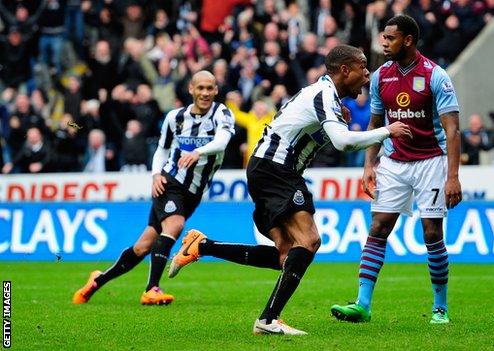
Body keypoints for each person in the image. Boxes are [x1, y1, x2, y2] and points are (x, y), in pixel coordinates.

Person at [167, 44, 412, 335]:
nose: (367, 75)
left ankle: (203, 246)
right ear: (345, 70)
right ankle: (268, 319)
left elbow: (313, 132)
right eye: (363, 67)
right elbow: (343, 142)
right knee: (309, 241)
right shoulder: (323, 94)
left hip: (271, 170)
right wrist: (388, 130)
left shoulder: (325, 97)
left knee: (286, 255)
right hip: (275, 169)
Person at [330, 15, 462, 325]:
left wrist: (453, 176)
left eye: (390, 38)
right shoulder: (379, 77)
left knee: (432, 233)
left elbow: (453, 129)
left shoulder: (435, 75)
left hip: (431, 160)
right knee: (378, 227)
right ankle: (362, 304)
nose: (383, 43)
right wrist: (368, 166)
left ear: (408, 40)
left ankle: (440, 307)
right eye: (384, 37)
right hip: (393, 161)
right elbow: (375, 124)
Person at [72, 71, 235, 305]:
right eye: (200, 88)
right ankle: (152, 289)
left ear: (216, 90)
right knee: (175, 225)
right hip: (170, 182)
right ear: (191, 89)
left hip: (194, 192)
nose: (205, 93)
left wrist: (197, 152)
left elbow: (223, 140)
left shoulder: (221, 113)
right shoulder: (175, 118)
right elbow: (162, 149)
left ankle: (97, 280)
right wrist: (156, 174)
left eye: (210, 88)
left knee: (143, 247)